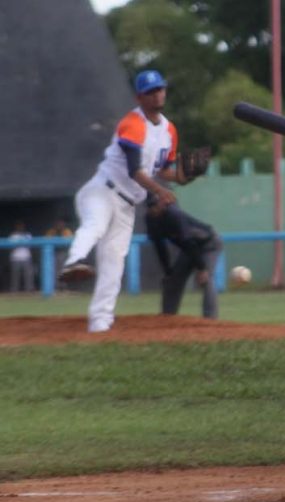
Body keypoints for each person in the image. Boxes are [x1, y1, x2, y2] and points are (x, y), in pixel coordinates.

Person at [58, 70, 180, 333]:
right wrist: (160, 191)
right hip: (102, 191)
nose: (157, 94)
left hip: (127, 205)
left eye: (160, 89)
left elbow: (165, 169)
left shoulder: (169, 130)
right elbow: (135, 170)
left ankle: (100, 323)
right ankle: (74, 262)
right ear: (139, 97)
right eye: (150, 91)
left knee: (114, 261)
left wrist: (183, 176)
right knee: (95, 225)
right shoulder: (132, 124)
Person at [145, 199, 222, 319]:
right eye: (150, 207)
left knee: (206, 279)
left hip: (209, 244)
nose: (153, 209)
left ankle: (210, 319)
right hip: (189, 249)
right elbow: (159, 246)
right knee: (172, 280)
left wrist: (201, 268)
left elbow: (188, 241)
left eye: (155, 205)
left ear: (162, 204)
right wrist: (167, 271)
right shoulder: (150, 218)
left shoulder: (174, 215)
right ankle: (167, 316)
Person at [45, 219, 74, 291]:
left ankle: (64, 287)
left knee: (64, 270)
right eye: (58, 224)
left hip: (63, 253)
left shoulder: (67, 231)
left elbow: (70, 240)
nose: (59, 225)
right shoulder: (51, 231)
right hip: (53, 253)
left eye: (61, 224)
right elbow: (46, 240)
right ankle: (56, 287)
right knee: (54, 271)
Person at [8, 220, 35, 292]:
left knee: (28, 275)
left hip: (26, 257)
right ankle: (14, 291)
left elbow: (30, 246)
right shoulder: (13, 235)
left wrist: (20, 243)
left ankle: (29, 290)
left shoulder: (28, 235)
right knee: (15, 276)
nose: (20, 227)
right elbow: (11, 247)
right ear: (16, 227)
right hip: (15, 258)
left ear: (24, 226)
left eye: (21, 226)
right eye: (18, 226)